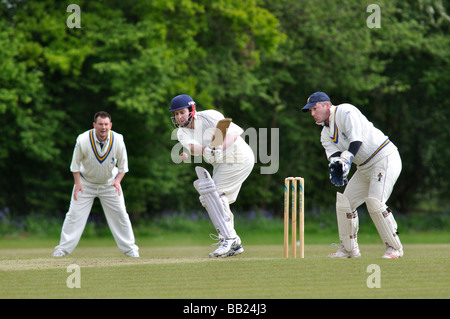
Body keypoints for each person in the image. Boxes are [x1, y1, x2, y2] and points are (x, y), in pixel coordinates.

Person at [302, 92, 403, 259]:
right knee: (345, 203)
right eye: (310, 111)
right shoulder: (325, 134)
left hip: (383, 157)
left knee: (375, 203)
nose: (312, 114)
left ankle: (395, 248)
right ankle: (349, 250)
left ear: (327, 105)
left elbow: (356, 141)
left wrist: (347, 159)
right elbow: (334, 156)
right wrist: (338, 166)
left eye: (314, 109)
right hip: (363, 167)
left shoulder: (345, 111)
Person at [170, 94, 254, 258]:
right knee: (210, 199)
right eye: (176, 114)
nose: (179, 117)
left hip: (238, 157)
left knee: (215, 194)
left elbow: (234, 134)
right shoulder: (181, 133)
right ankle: (233, 241)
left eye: (182, 112)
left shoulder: (210, 116)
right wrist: (207, 150)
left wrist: (219, 148)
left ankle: (228, 239)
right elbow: (193, 148)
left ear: (191, 110)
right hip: (221, 164)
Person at [52, 112, 139, 257]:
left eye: (106, 124)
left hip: (110, 184)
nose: (103, 128)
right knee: (73, 215)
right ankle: (62, 250)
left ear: (110, 125)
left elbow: (124, 167)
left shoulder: (118, 139)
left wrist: (117, 182)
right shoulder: (83, 139)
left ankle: (131, 250)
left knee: (121, 215)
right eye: (100, 124)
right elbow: (75, 165)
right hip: (85, 183)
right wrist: (78, 184)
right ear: (94, 125)